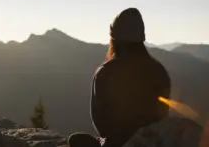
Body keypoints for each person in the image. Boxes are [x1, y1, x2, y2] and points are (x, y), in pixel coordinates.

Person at [68, 8, 171, 147]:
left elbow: (103, 127)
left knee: (76, 140)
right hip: (156, 142)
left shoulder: (105, 73)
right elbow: (163, 117)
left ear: (114, 39)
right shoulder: (160, 71)